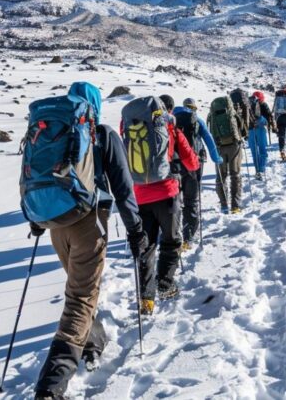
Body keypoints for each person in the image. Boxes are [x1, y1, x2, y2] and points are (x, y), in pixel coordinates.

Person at [30, 82, 149, 399]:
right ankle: (50, 387)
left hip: (56, 222)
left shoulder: (55, 128)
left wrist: (38, 219)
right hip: (89, 223)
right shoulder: (104, 133)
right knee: (80, 298)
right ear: (94, 104)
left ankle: (93, 343)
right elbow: (123, 190)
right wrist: (136, 230)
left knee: (79, 287)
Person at [124, 96, 200, 315]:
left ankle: (146, 299)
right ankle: (165, 284)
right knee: (172, 239)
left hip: (139, 197)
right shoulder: (169, 128)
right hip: (167, 193)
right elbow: (191, 161)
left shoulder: (130, 128)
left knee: (146, 247)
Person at [168, 96, 222, 249]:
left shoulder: (172, 119)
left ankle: (174, 232)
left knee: (176, 200)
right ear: (194, 109)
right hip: (194, 164)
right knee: (192, 199)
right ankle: (189, 235)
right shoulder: (197, 120)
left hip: (174, 166)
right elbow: (209, 139)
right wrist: (216, 158)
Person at [207, 94, 246, 213]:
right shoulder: (232, 112)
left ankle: (224, 205)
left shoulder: (211, 115)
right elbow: (242, 129)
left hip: (218, 147)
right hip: (234, 146)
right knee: (235, 175)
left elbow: (209, 130)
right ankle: (235, 206)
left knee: (221, 176)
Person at [247, 90, 276, 179]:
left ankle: (257, 171)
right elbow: (269, 116)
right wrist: (273, 127)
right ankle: (262, 170)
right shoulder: (263, 104)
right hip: (260, 129)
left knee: (254, 152)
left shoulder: (247, 105)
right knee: (263, 151)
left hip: (250, 130)